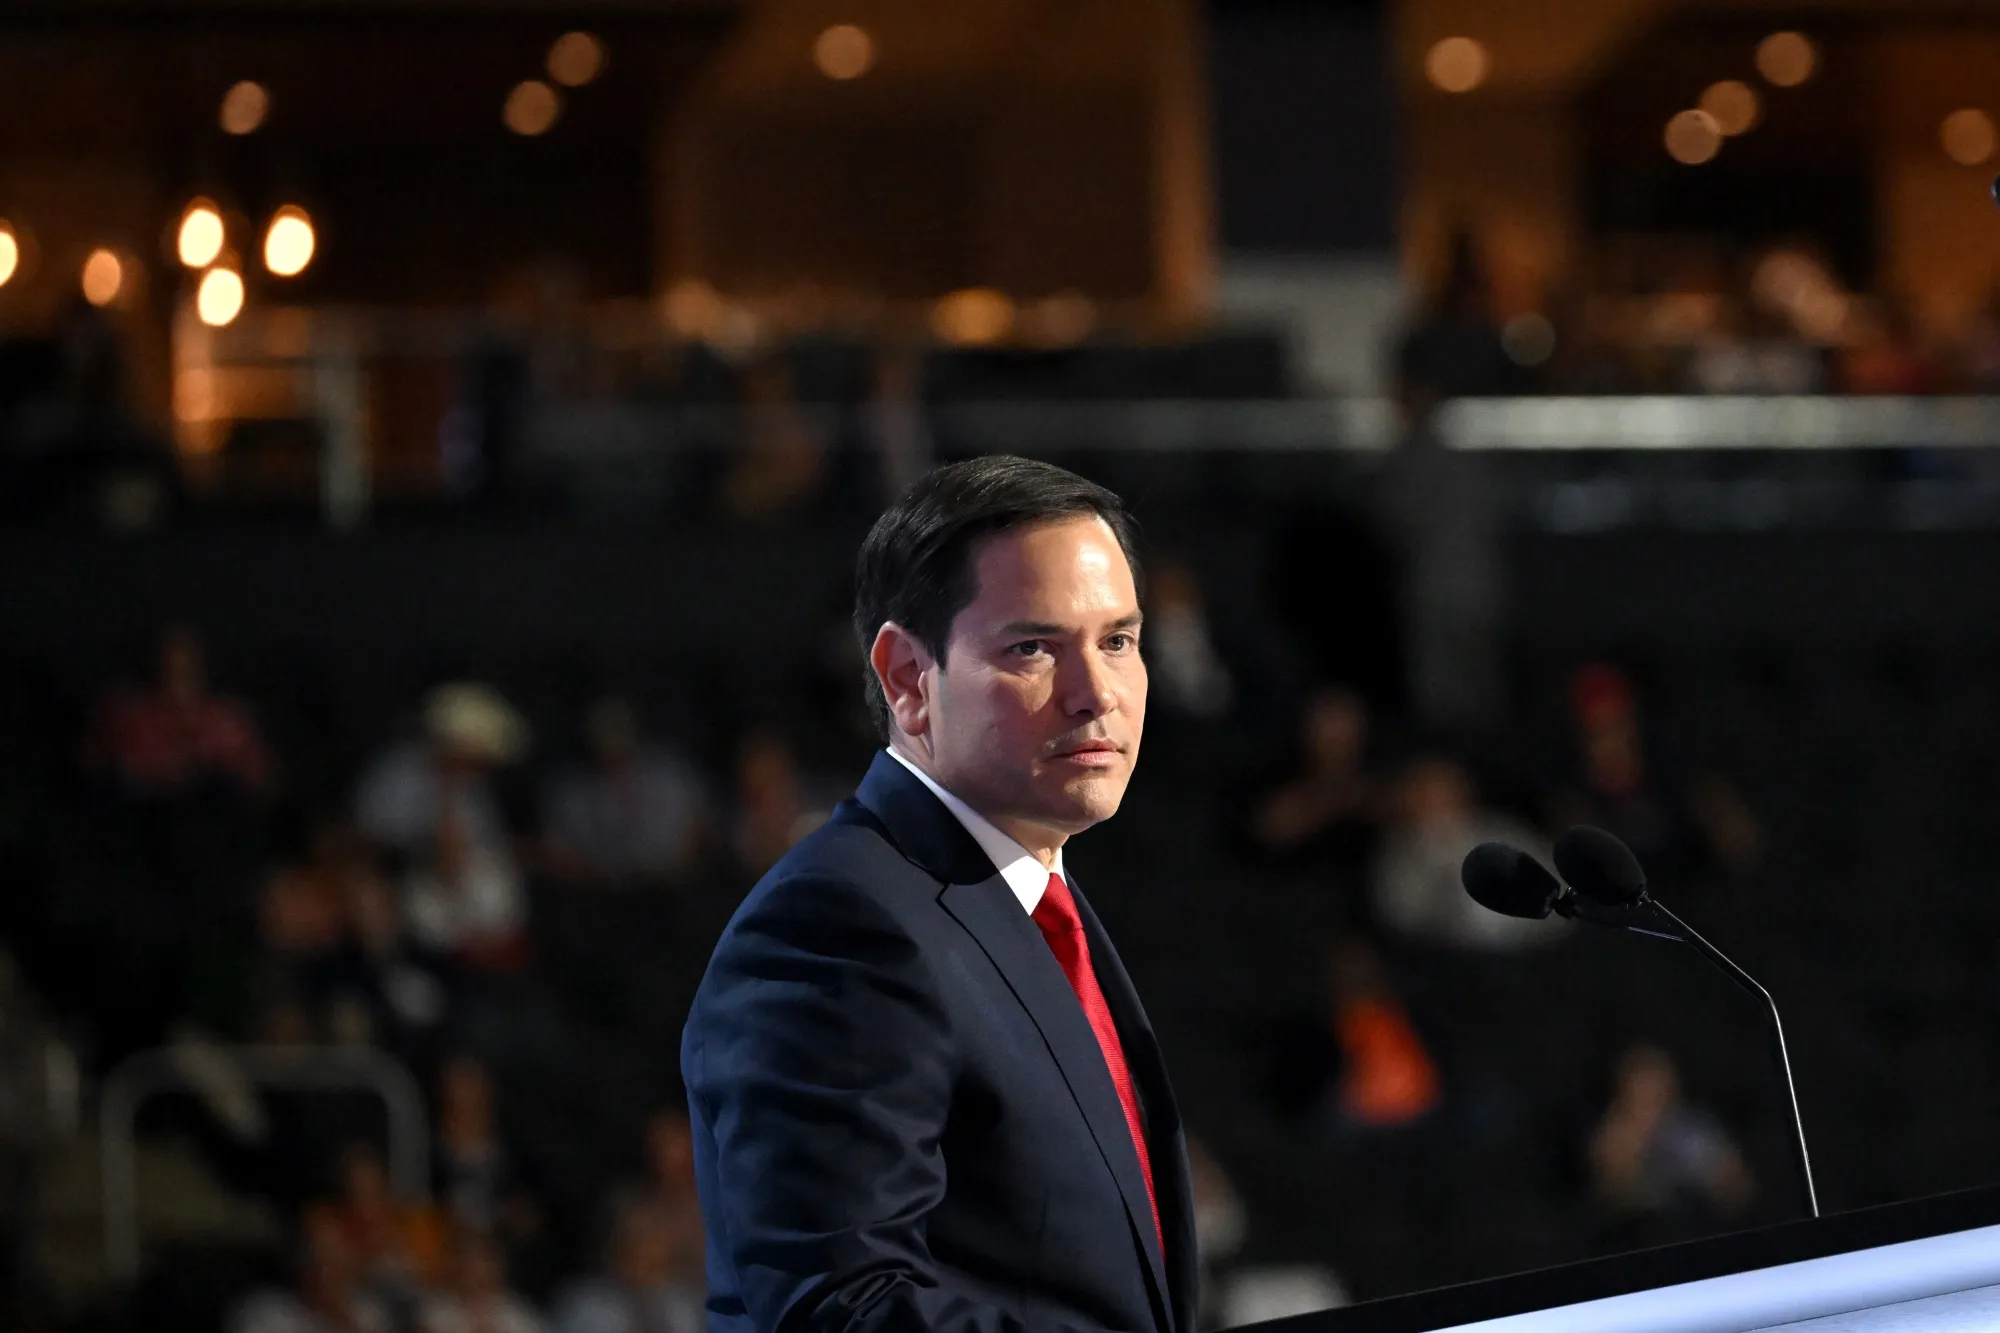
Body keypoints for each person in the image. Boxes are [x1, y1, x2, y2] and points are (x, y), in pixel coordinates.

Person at [682, 457, 1197, 1333]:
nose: (1096, 695)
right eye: (1033, 647)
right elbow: (843, 1310)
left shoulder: (1032, 898)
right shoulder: (836, 925)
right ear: (907, 677)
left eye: (1117, 640)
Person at [539, 698, 708, 889]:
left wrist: (676, 869)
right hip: (599, 892)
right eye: (603, 731)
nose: (612, 739)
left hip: (672, 888)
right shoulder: (571, 791)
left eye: (619, 729)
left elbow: (698, 831)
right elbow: (560, 853)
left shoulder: (670, 776)